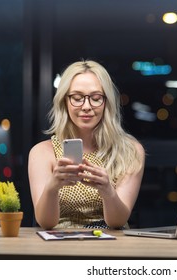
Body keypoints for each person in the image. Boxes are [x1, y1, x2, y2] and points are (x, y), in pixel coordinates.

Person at [28, 60, 145, 230]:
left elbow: (118, 222)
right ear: (64, 102)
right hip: (60, 245)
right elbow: (45, 223)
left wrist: (107, 191)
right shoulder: (42, 153)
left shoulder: (131, 151)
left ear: (106, 103)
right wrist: (52, 187)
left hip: (111, 245)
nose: (87, 106)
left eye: (96, 98)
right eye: (77, 98)